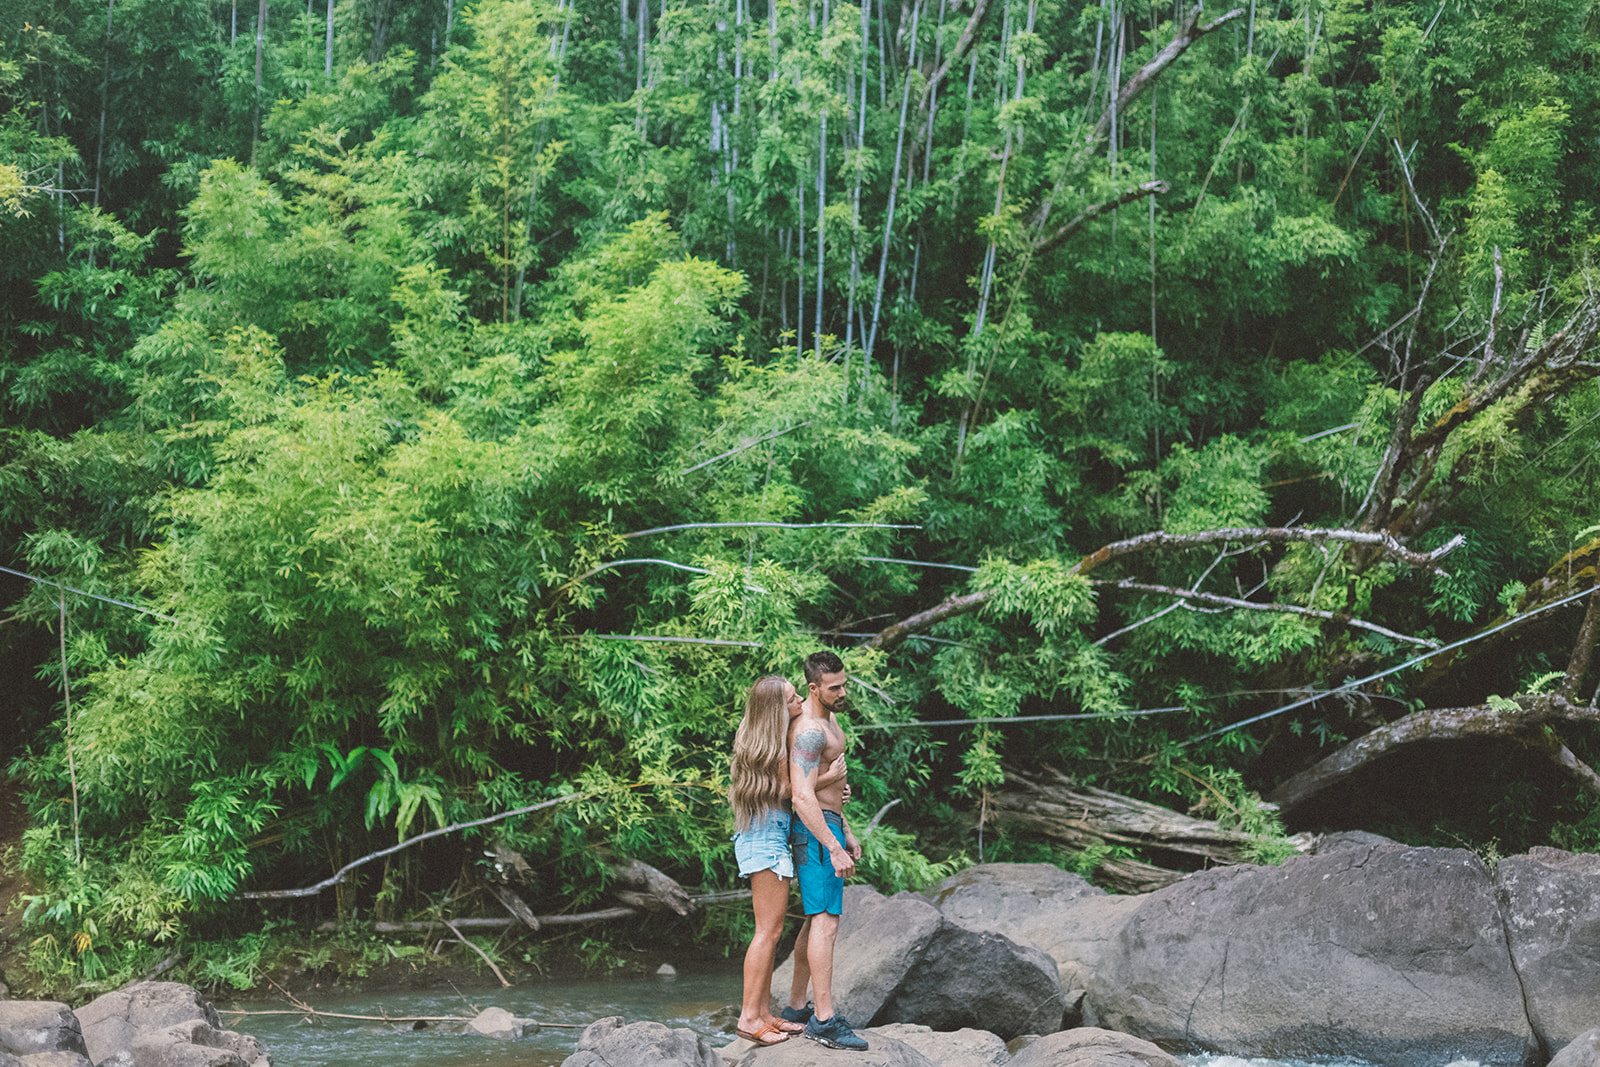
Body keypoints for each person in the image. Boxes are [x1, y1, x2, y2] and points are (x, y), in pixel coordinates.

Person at [728, 674, 845, 1046]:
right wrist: (830, 776)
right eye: (793, 700)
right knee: (768, 931)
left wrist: (826, 781)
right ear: (776, 711)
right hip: (764, 842)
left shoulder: (762, 741)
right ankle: (749, 1018)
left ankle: (763, 1014)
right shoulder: (771, 749)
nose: (800, 705)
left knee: (773, 930)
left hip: (767, 839)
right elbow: (793, 791)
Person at [783, 650, 869, 1051]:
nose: (842, 692)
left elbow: (830, 789)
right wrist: (834, 847)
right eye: (834, 688)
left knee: (814, 920)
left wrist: (846, 829)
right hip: (815, 833)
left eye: (844, 684)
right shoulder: (808, 731)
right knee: (826, 921)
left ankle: (798, 1008)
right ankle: (824, 1019)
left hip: (830, 824)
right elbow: (801, 796)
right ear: (813, 688)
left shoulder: (831, 720)